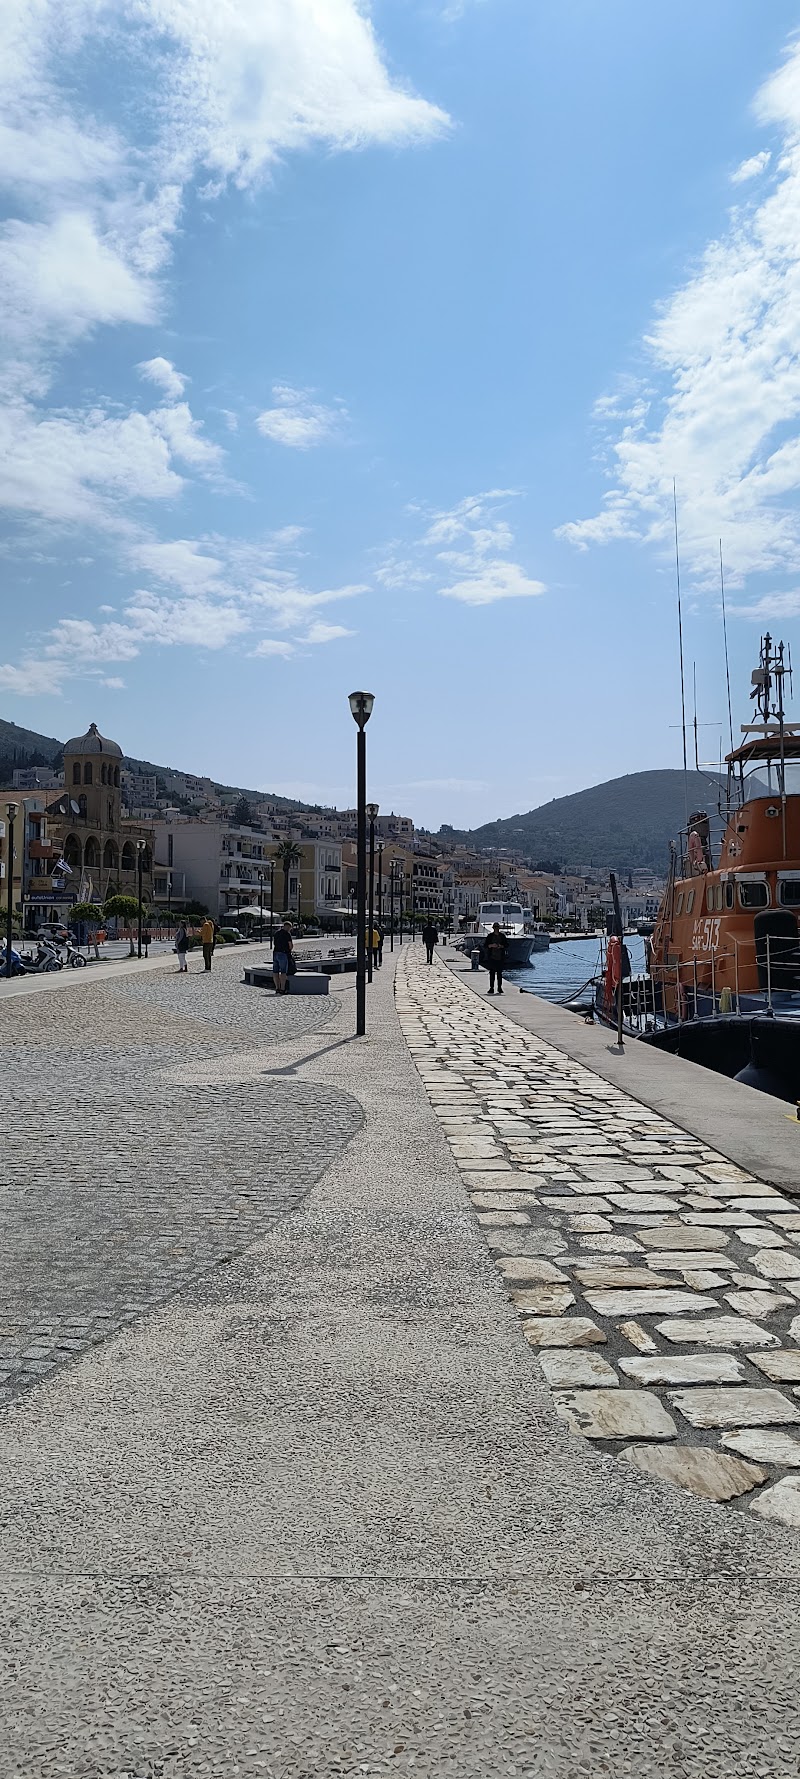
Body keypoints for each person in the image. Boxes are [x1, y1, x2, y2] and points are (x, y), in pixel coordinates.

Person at [483, 921, 508, 995]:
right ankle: (491, 988)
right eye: (495, 927)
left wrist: (501, 946)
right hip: (492, 957)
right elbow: (485, 945)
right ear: (493, 928)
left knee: (500, 974)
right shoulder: (490, 936)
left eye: (497, 927)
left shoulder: (502, 936)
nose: (496, 929)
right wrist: (491, 946)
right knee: (492, 974)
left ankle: (499, 988)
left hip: (500, 957)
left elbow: (506, 944)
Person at [272, 922, 294, 995]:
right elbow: (290, 945)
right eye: (290, 928)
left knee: (275, 972)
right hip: (283, 953)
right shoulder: (287, 934)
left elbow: (274, 943)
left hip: (275, 953)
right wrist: (289, 951)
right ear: (288, 927)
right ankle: (282, 989)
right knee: (283, 972)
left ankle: (277, 988)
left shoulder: (277, 933)